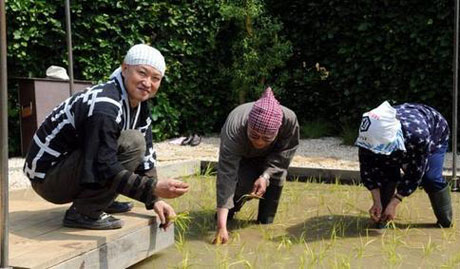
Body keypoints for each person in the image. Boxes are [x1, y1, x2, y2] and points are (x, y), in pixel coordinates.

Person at [23, 44, 189, 230]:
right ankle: (84, 211)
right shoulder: (105, 105)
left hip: (68, 167)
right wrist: (153, 188)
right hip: (47, 179)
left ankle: (99, 199)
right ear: (125, 68)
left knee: (134, 142)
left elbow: (146, 157)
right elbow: (104, 164)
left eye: (156, 78)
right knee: (132, 142)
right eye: (142, 73)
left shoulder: (139, 104)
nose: (147, 82)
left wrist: (154, 200)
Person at [213, 87, 299, 244]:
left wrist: (265, 176)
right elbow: (226, 175)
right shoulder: (235, 127)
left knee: (276, 178)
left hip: (272, 157)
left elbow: (285, 153)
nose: (259, 142)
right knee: (242, 185)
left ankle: (265, 222)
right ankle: (224, 218)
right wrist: (221, 227)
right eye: (254, 136)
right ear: (247, 126)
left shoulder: (289, 120)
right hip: (244, 156)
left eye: (266, 138)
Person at [355, 101, 452, 228]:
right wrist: (376, 202)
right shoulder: (367, 136)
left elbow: (415, 173)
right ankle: (382, 216)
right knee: (386, 171)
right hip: (401, 132)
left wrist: (394, 203)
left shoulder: (418, 136)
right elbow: (368, 170)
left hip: (434, 131)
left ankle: (445, 221)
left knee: (430, 178)